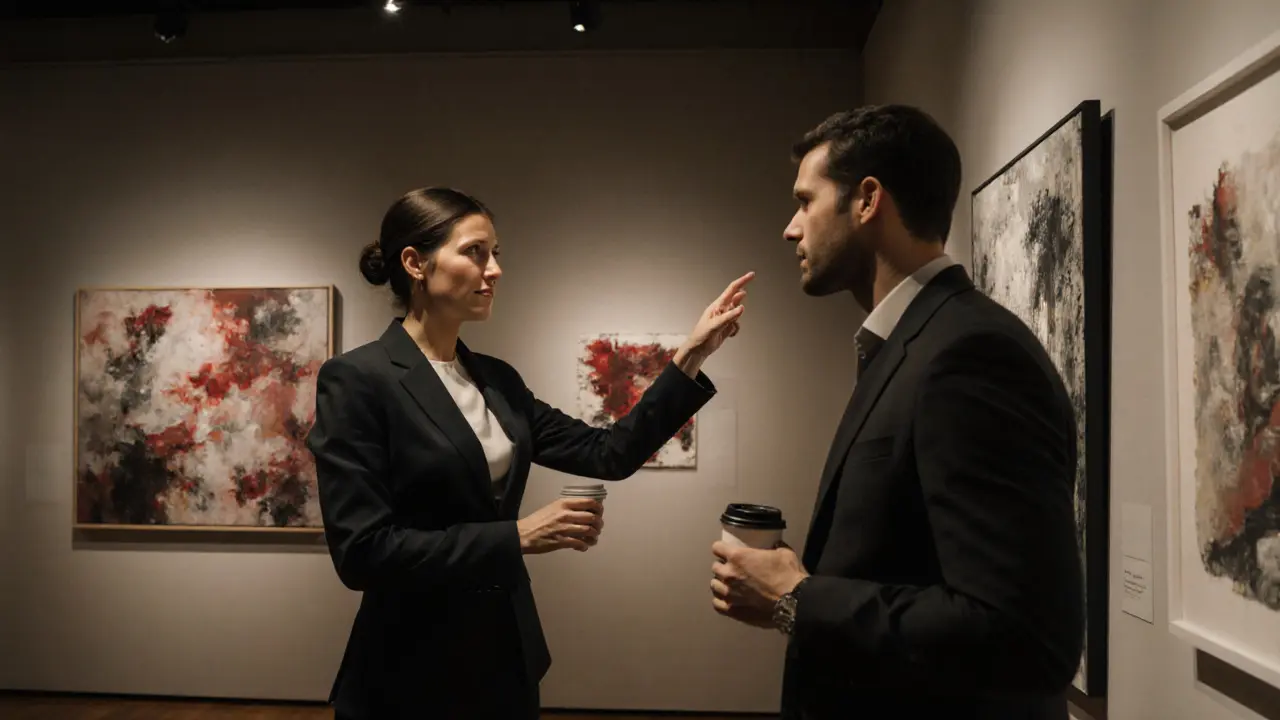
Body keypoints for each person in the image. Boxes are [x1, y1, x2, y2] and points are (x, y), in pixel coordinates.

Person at [307, 186, 753, 719]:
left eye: (495, 253)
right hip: (408, 673)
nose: (495, 270)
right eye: (475, 252)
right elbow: (363, 553)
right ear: (415, 263)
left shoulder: (497, 381)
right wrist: (517, 536)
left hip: (505, 661)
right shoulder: (358, 379)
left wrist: (690, 357)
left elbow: (608, 452)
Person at [708, 105, 1084, 718]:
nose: (790, 229)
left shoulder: (969, 354)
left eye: (805, 201)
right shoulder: (919, 342)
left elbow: (1027, 637)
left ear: (867, 200)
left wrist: (797, 598)